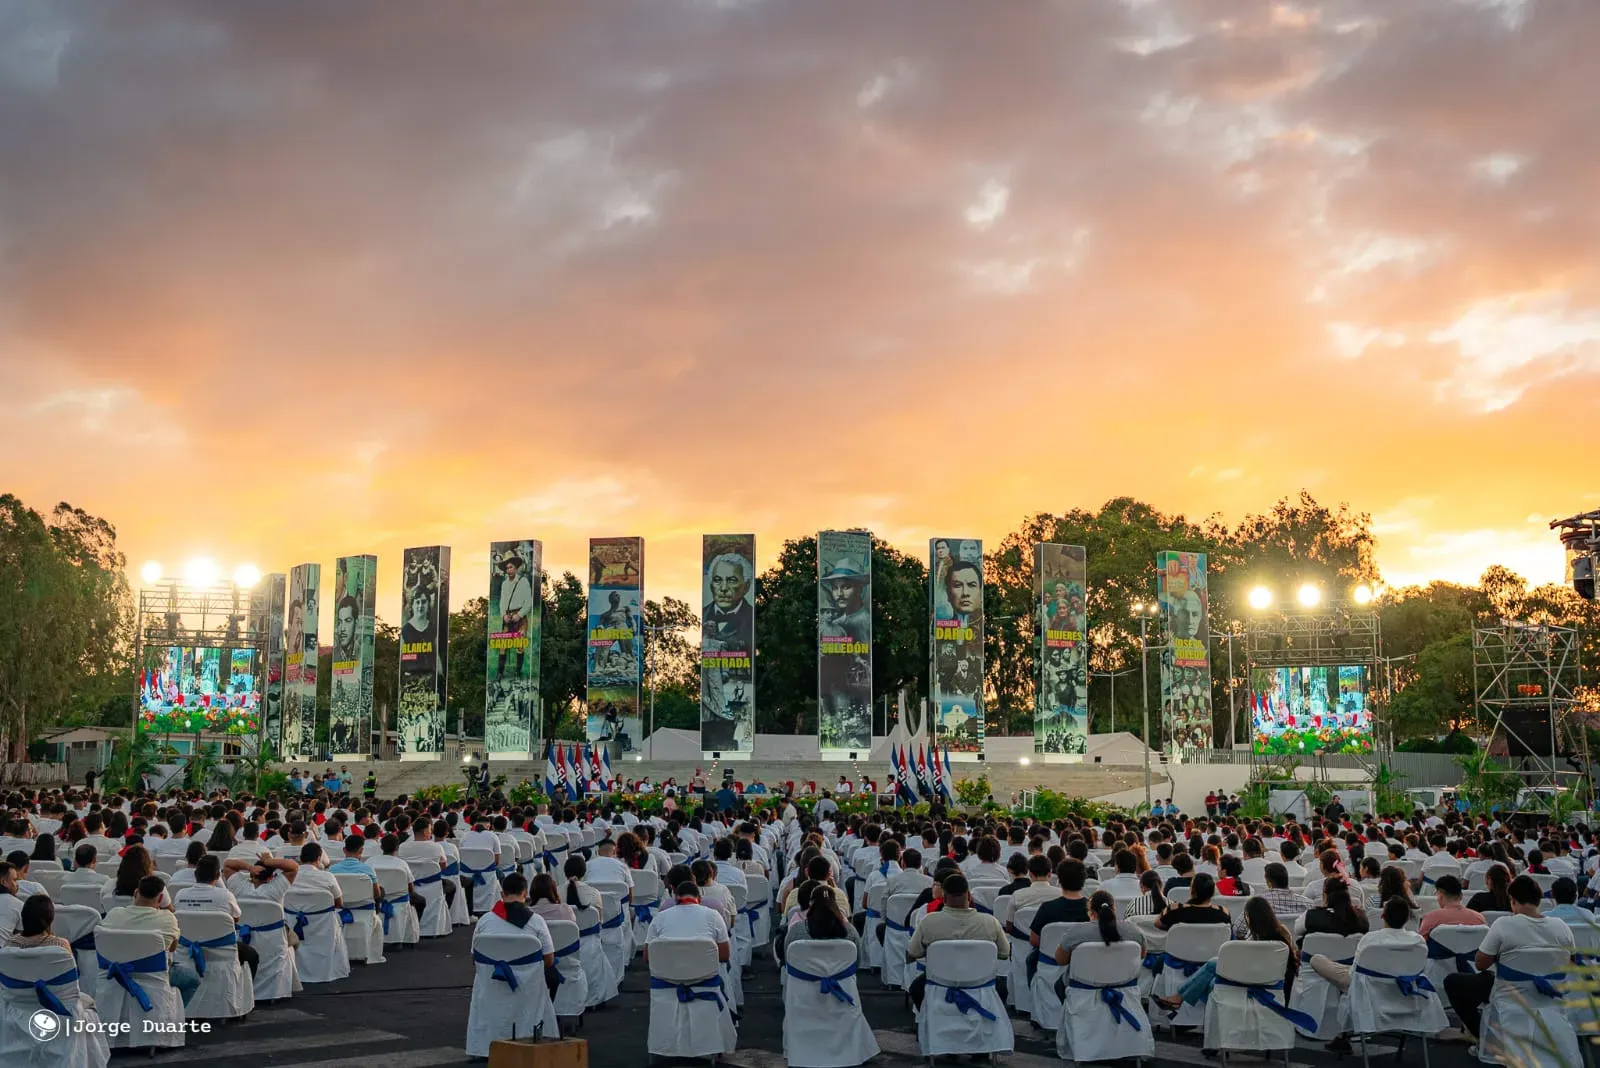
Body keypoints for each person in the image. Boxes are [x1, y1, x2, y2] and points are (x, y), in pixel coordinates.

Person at [1444, 875, 1576, 1043]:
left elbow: (1481, 964)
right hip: (1551, 994)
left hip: (1511, 994)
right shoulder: (1562, 927)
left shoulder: (1503, 925)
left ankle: (1481, 1036)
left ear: (1512, 900)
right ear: (1539, 900)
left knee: (1453, 982)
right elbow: (1571, 963)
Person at [906, 874, 1008, 1009]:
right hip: (980, 982)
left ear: (944, 898)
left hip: (940, 982)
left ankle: (928, 1019)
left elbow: (913, 952)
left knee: (915, 989)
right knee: (1003, 988)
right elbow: (1004, 953)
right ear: (969, 897)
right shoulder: (990, 922)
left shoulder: (929, 922)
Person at [103, 874, 198, 1003]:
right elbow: (172, 948)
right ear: (161, 898)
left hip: (114, 974)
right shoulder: (168, 919)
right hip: (155, 975)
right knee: (193, 980)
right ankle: (176, 1015)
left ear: (136, 893)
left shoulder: (113, 915)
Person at [474, 873, 558, 999]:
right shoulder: (537, 921)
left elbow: (475, 958)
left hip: (492, 985)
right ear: (525, 894)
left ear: (502, 894)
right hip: (528, 987)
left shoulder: (484, 921)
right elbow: (549, 960)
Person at [1155, 872, 1231, 931]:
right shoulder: (1223, 912)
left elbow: (1158, 923)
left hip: (1180, 950)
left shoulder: (1173, 910)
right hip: (1212, 950)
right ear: (1212, 892)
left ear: (1192, 890)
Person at [1298, 877, 1369, 940]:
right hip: (1351, 954)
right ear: (1348, 895)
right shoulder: (1361, 918)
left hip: (1314, 953)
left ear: (1325, 896)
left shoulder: (1310, 917)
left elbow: (1297, 930)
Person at [1419, 874, 1485, 937]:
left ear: (1440, 896)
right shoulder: (1479, 918)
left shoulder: (1431, 917)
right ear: (1461, 896)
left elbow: (1421, 943)